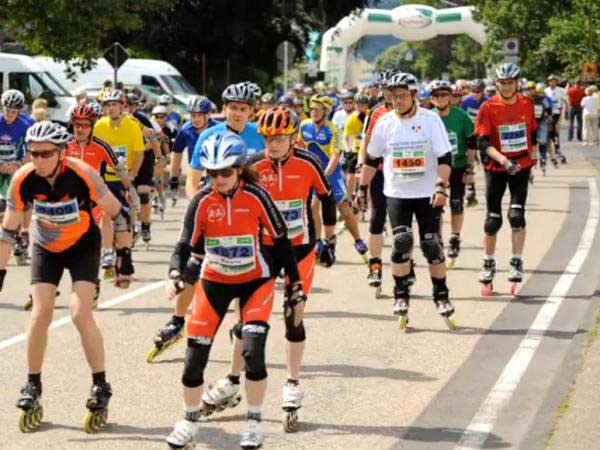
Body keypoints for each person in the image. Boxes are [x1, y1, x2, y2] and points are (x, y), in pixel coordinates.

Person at [164, 130, 303, 450]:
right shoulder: (202, 200)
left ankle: (254, 422)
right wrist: (174, 272)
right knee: (194, 358)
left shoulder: (257, 196)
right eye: (212, 173)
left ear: (240, 169)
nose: (219, 179)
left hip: (256, 280)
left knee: (253, 351)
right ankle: (189, 421)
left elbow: (282, 242)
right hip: (214, 281)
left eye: (225, 172)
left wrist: (295, 286)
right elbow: (183, 245)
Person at [203, 107, 337, 433]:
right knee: (248, 317)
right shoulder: (251, 165)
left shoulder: (308, 163)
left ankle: (292, 383)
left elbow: (327, 196)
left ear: (292, 138)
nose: (273, 144)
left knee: (294, 313)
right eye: (267, 138)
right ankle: (233, 378)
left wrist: (330, 239)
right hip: (262, 249)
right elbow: (227, 196)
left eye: (279, 138)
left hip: (300, 248)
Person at [1, 121, 132, 433]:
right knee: (40, 313)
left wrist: (124, 259)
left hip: (82, 245)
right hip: (45, 246)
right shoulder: (23, 178)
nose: (38, 159)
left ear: (61, 152)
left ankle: (100, 383)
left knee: (79, 313)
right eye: (33, 153)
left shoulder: (83, 173)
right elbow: (8, 230)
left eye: (46, 153)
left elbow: (119, 214)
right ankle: (32, 383)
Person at [366, 72, 455, 330]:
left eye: (403, 96)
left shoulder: (430, 120)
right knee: (401, 243)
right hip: (397, 194)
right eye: (393, 96)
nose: (398, 101)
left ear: (414, 95)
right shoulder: (384, 123)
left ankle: (441, 294)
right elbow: (371, 159)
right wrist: (360, 189)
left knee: (432, 245)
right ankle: (401, 294)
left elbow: (445, 158)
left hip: (427, 193)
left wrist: (441, 186)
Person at [475, 63, 537, 296]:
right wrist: (503, 160)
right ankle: (488, 262)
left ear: (517, 83)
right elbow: (482, 142)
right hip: (497, 166)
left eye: (510, 82)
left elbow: (531, 133)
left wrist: (533, 157)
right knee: (492, 221)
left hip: (521, 165)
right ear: (497, 84)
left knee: (517, 216)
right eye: (503, 83)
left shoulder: (526, 103)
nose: (507, 86)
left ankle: (516, 261)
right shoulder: (488, 107)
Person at [298, 94, 368, 262]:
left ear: (326, 111)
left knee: (343, 208)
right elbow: (299, 147)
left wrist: (324, 175)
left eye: (318, 109)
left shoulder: (333, 130)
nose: (314, 112)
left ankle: (358, 240)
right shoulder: (304, 125)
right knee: (313, 206)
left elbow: (335, 156)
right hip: (313, 172)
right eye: (312, 109)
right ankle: (318, 240)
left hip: (332, 174)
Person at [93, 88, 143, 285]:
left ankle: (124, 254)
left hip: (125, 179)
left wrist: (133, 174)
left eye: (114, 104)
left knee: (126, 217)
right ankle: (107, 252)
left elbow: (138, 153)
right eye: (107, 105)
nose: (111, 108)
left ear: (122, 106)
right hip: (106, 178)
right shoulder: (99, 126)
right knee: (107, 214)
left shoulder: (132, 125)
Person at [356, 68, 398, 297]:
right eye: (384, 88)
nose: (388, 92)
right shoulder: (376, 112)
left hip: (405, 174)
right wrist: (361, 166)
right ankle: (375, 265)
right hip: (380, 171)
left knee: (401, 220)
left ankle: (405, 262)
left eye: (392, 88)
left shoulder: (415, 111)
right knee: (377, 217)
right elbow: (366, 142)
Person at [186, 83, 266, 199]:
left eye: (243, 109)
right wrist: (195, 204)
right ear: (224, 109)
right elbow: (192, 179)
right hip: (217, 199)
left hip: (251, 200)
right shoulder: (208, 136)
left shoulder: (260, 133)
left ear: (251, 111)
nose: (238, 113)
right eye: (233, 107)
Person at [429, 80, 476, 267]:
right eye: (436, 95)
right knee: (435, 205)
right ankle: (437, 237)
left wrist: (470, 169)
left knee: (456, 203)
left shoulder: (461, 116)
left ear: (450, 97)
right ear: (431, 99)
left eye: (444, 95)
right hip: (436, 169)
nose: (440, 98)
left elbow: (471, 143)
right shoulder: (428, 117)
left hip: (458, 166)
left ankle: (455, 237)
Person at [0, 89, 30, 265]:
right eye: (7, 110)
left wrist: (18, 165)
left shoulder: (25, 125)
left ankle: (18, 239)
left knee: (14, 204)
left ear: (19, 111)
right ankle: (8, 234)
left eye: (14, 111)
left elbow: (31, 150)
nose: (10, 114)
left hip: (15, 168)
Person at [342, 93, 370, 207]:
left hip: (369, 150)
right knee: (350, 177)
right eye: (358, 105)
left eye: (363, 105)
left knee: (367, 177)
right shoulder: (351, 119)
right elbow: (345, 138)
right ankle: (348, 199)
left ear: (367, 106)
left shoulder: (370, 115)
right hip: (356, 150)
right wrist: (347, 150)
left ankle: (367, 199)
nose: (360, 108)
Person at [524, 82, 553, 173]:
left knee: (543, 141)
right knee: (529, 143)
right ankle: (530, 162)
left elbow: (549, 109)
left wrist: (549, 117)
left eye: (532, 89)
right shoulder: (523, 99)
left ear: (535, 89)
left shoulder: (542, 98)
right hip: (529, 123)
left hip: (541, 122)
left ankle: (543, 159)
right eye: (528, 89)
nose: (530, 91)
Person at [545, 75, 567, 164]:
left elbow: (565, 101)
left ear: (556, 82)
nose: (552, 83)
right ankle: (552, 151)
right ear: (548, 82)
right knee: (549, 133)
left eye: (554, 81)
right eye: (550, 81)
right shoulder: (546, 90)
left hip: (557, 113)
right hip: (548, 114)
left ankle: (557, 150)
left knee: (554, 131)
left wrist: (567, 112)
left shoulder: (560, 90)